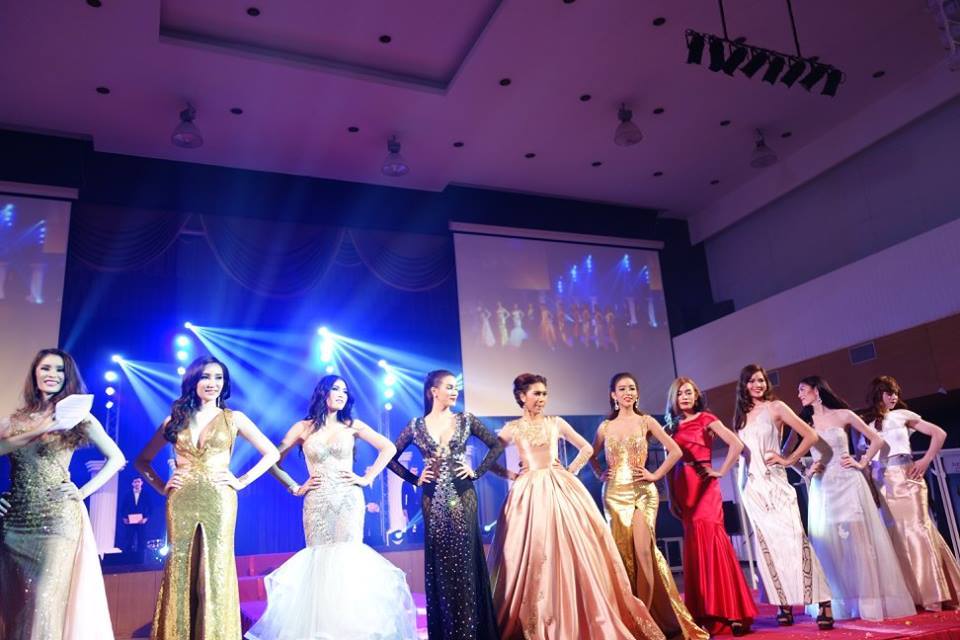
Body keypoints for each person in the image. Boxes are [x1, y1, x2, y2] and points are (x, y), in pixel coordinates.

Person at [488, 373, 665, 640]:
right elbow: (489, 459)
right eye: (536, 393)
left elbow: (586, 448)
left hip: (560, 488)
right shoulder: (512, 428)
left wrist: (570, 470)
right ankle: (537, 615)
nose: (542, 398)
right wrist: (511, 475)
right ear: (522, 396)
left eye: (544, 393)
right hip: (529, 493)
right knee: (533, 550)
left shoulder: (555, 423)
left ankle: (575, 611)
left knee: (570, 548)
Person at [247, 375, 417, 639]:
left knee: (347, 558)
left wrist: (367, 477)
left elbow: (388, 448)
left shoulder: (353, 426)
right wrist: (294, 486)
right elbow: (272, 460)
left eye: (345, 391)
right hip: (316, 501)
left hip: (348, 499)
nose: (341, 394)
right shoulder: (302, 428)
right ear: (323, 392)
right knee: (319, 560)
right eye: (336, 389)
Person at [134, 355, 280, 640]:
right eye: (206, 377)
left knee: (215, 568)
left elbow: (271, 453)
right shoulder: (174, 421)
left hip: (219, 499)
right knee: (180, 567)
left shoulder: (233, 418)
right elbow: (142, 461)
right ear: (193, 381)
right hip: (181, 500)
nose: (213, 383)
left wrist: (240, 481)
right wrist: (162, 486)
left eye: (218, 377)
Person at [0, 348, 125, 640]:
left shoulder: (78, 417)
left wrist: (82, 492)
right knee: (18, 605)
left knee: (45, 601)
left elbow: (117, 458)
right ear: (35, 373)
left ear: (67, 378)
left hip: (58, 519)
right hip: (14, 521)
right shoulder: (12, 422)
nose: (52, 375)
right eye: (45, 368)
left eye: (59, 370)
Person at [388, 370, 505, 640]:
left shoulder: (465, 420)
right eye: (450, 387)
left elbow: (496, 446)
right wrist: (415, 479)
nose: (455, 392)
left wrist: (476, 471)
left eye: (456, 388)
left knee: (465, 562)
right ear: (434, 391)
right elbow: (390, 457)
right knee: (440, 565)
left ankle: (471, 632)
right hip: (432, 499)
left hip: (463, 496)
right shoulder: (416, 426)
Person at [590, 373, 708, 640]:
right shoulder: (605, 427)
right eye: (622, 389)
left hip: (644, 492)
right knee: (622, 557)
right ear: (613, 395)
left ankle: (646, 623)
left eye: (632, 388)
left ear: (637, 393)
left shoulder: (646, 421)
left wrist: (655, 475)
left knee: (644, 552)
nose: (628, 393)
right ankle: (630, 618)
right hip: (614, 494)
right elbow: (591, 455)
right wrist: (599, 472)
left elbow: (675, 451)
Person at [796, 375, 915, 621]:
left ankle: (868, 602)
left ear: (817, 390)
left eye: (803, 389)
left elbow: (877, 440)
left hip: (848, 481)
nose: (799, 395)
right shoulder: (804, 422)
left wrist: (862, 462)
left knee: (858, 540)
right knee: (829, 544)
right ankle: (837, 603)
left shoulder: (844, 415)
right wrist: (806, 470)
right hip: (823, 486)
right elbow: (788, 453)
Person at [732, 364, 833, 629]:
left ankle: (823, 602)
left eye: (761, 380)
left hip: (776, 485)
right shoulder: (741, 416)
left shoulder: (776, 407)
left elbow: (810, 435)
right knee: (769, 549)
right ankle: (783, 605)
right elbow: (743, 453)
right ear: (744, 385)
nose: (757, 385)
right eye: (752, 381)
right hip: (753, 489)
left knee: (796, 541)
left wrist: (788, 460)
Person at [664, 377, 756, 636]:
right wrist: (671, 497)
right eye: (680, 393)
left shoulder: (707, 418)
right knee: (695, 546)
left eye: (689, 392)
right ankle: (704, 612)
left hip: (705, 485)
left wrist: (721, 471)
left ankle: (732, 611)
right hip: (683, 488)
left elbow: (736, 444)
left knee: (714, 542)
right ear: (673, 398)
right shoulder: (670, 428)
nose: (685, 397)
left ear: (696, 396)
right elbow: (669, 466)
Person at [862, 375, 960, 611]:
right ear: (878, 394)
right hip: (882, 481)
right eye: (889, 392)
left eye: (896, 392)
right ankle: (908, 596)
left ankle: (934, 594)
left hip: (907, 478)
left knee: (918, 530)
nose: (894, 397)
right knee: (895, 536)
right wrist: (869, 487)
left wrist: (925, 460)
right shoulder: (866, 423)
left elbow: (939, 433)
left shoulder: (902, 415)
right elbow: (863, 459)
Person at [119, 476, 154, 559]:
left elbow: (150, 508)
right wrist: (124, 518)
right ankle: (127, 558)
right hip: (130, 520)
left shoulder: (146, 494)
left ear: (142, 483)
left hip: (141, 521)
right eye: (135, 482)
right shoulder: (127, 494)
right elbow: (123, 507)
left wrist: (146, 518)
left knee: (141, 538)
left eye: (138, 482)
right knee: (128, 538)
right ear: (132, 483)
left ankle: (141, 558)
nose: (137, 483)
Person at [402, 464, 424, 543]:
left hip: (420, 507)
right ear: (410, 471)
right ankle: (410, 542)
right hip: (410, 507)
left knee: (420, 524)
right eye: (412, 470)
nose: (414, 472)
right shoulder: (405, 483)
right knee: (410, 524)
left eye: (415, 471)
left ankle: (419, 541)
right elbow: (403, 497)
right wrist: (404, 508)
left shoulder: (421, 482)